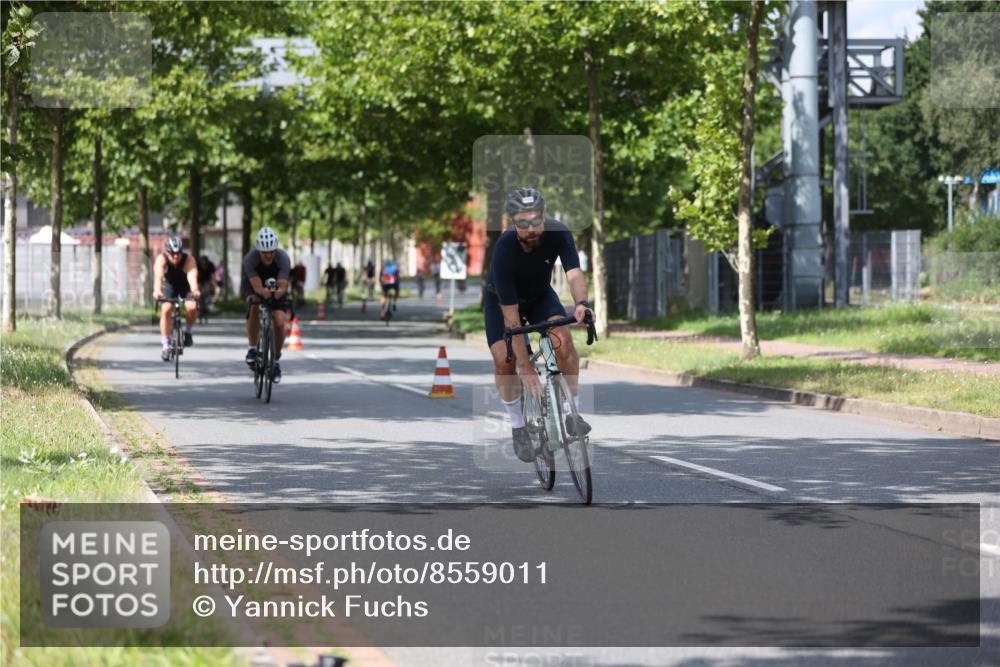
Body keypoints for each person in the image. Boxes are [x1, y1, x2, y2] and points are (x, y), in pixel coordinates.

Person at [484, 187, 594, 463]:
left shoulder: (558, 233)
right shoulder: (504, 251)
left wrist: (581, 303)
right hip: (503, 304)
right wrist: (527, 368)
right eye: (523, 224)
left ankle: (572, 413)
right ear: (513, 223)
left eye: (536, 221)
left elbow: (574, 272)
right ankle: (518, 426)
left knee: (563, 339)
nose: (531, 228)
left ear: (544, 216)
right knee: (504, 361)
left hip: (540, 296)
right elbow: (512, 320)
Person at [241, 227, 292, 383]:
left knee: (279, 321)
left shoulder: (283, 258)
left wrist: (276, 293)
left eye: (271, 251)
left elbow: (283, 286)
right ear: (258, 250)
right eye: (264, 252)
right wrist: (263, 294)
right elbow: (257, 287)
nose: (268, 255)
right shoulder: (250, 259)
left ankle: (275, 361)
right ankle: (252, 349)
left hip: (276, 285)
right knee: (254, 304)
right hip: (256, 283)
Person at [152, 236, 200, 362]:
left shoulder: (188, 259)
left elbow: (192, 276)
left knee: (192, 306)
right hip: (169, 286)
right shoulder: (161, 259)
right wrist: (157, 291)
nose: (175, 257)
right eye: (172, 254)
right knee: (166, 308)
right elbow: (158, 277)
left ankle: (188, 331)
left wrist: (194, 290)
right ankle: (166, 345)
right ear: (167, 252)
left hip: (185, 286)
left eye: (178, 253)